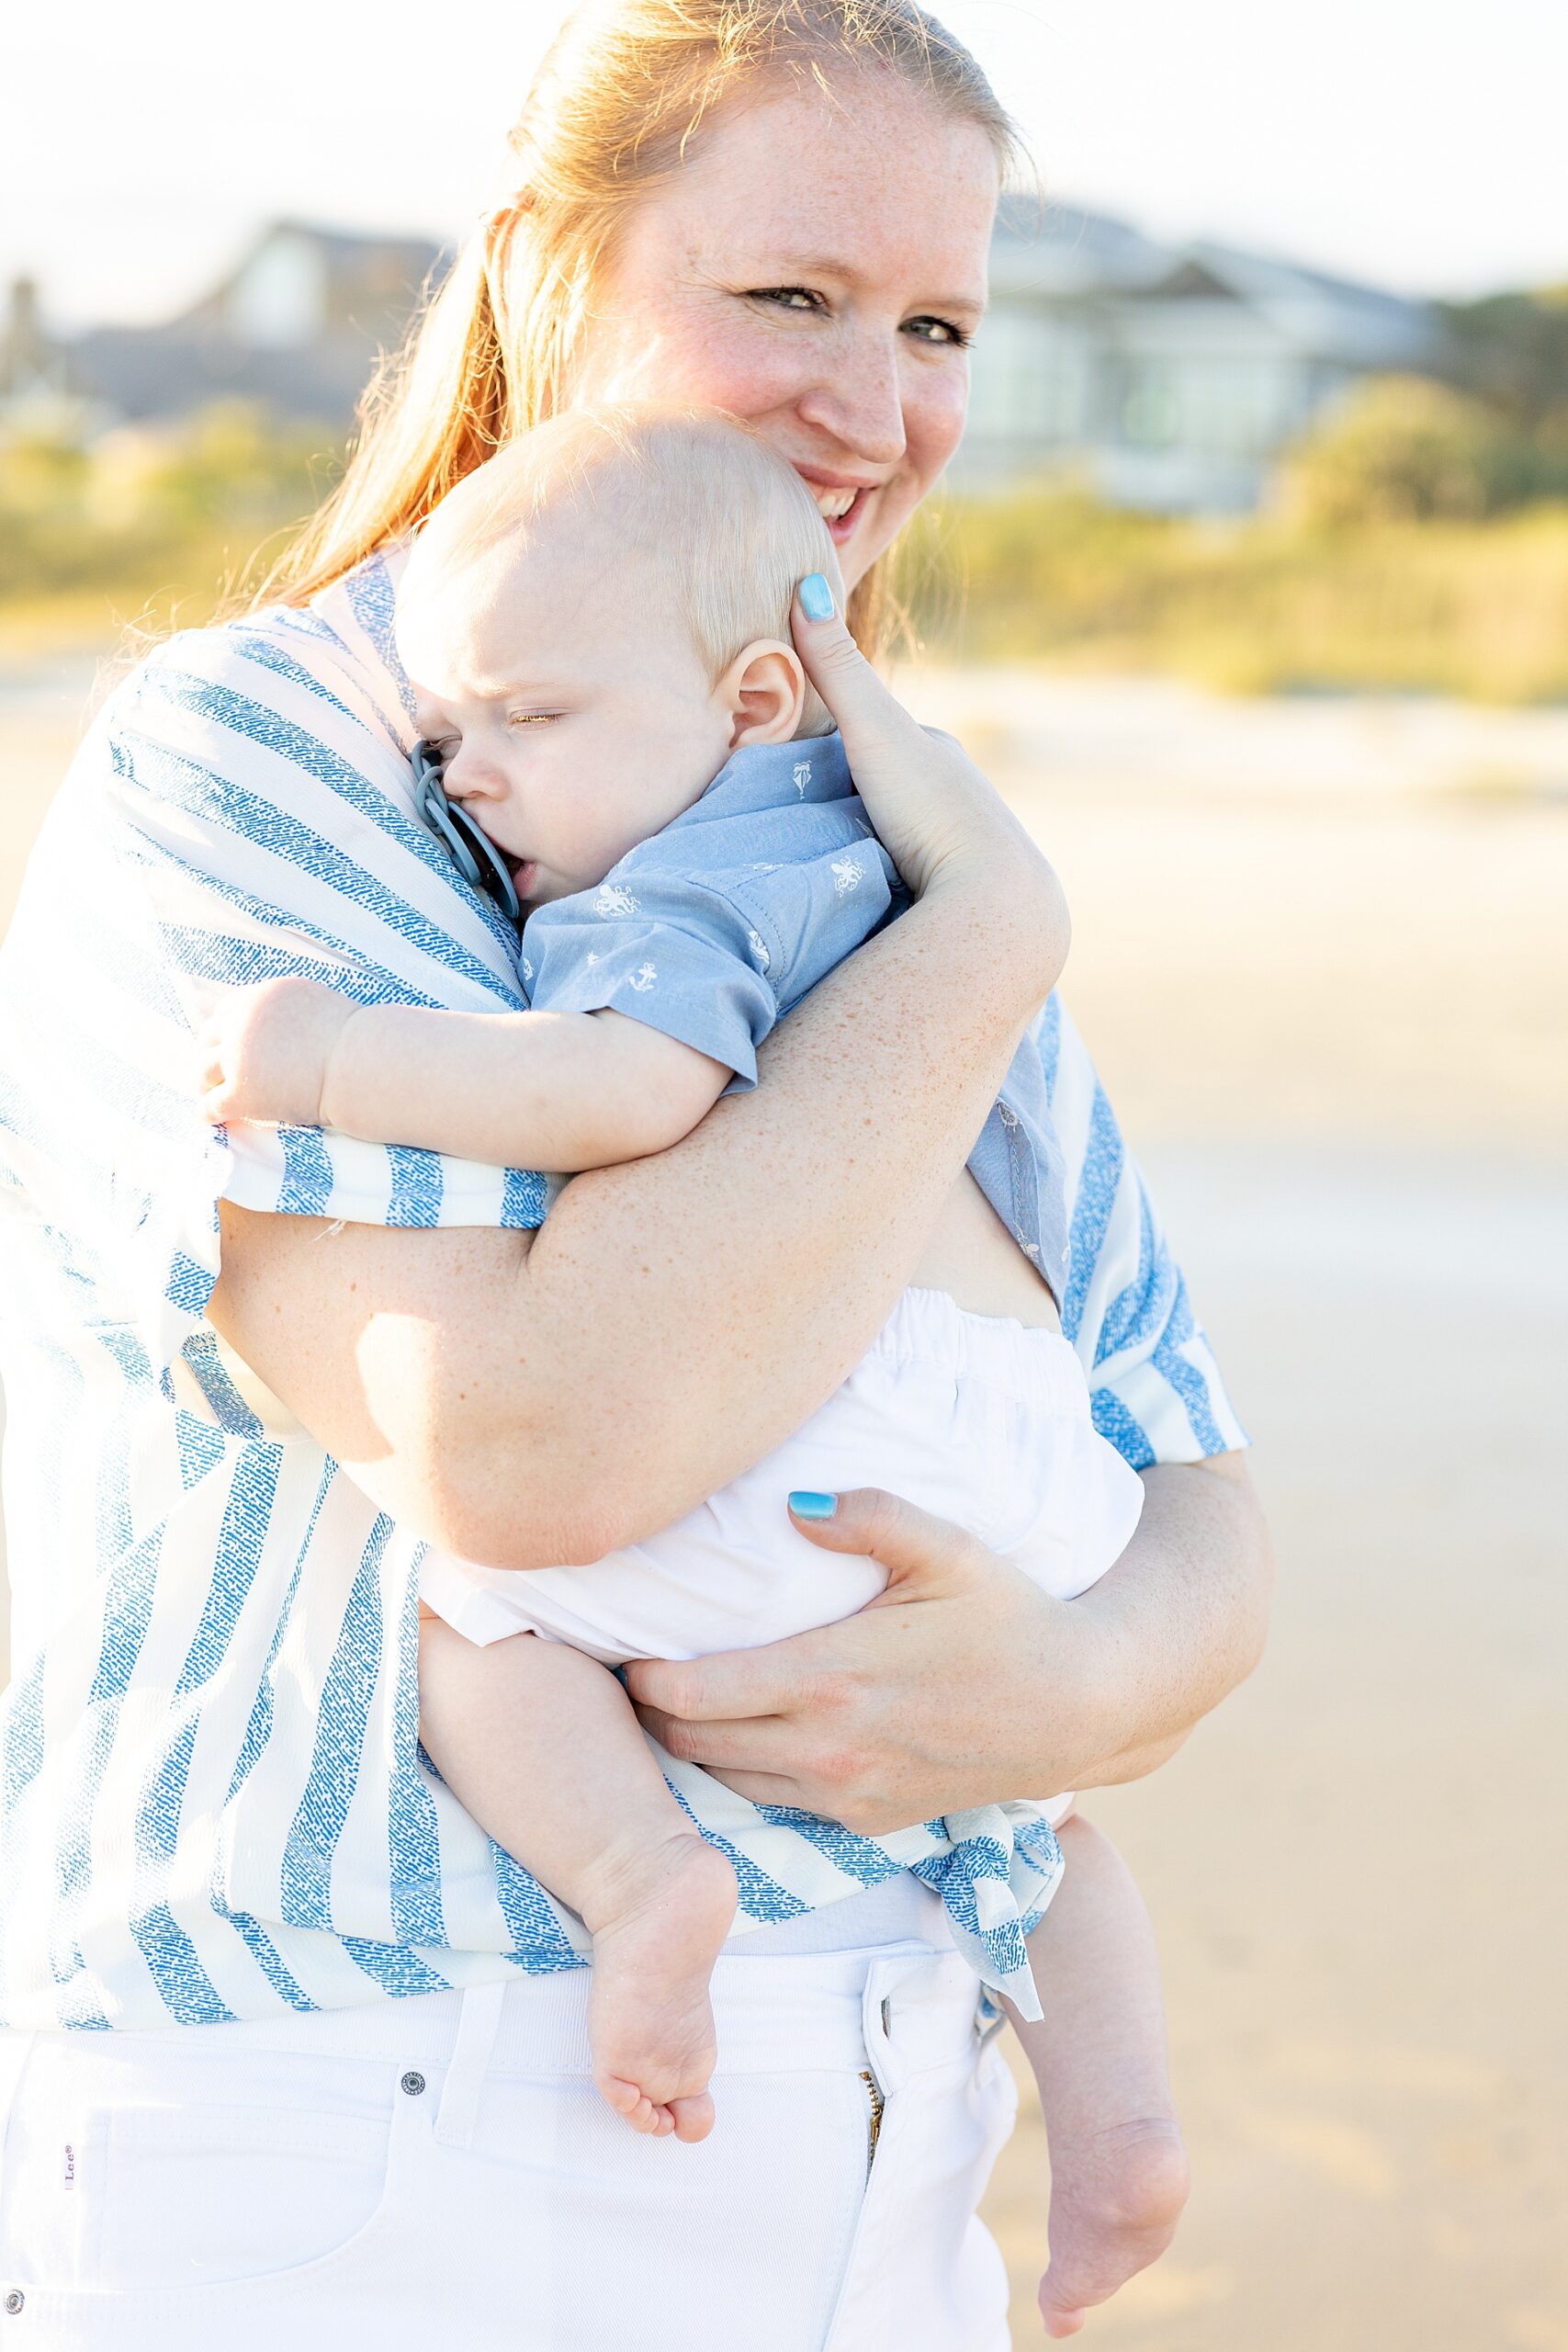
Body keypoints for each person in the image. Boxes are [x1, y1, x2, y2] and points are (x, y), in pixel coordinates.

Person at [0, 5, 1267, 2346]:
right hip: (383, 2102)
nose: (874, 407)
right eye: (785, 294)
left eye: (937, 325)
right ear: (540, 272)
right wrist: (978, 943)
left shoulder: (871, 800)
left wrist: (1068, 1680)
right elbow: (529, 1445)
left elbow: (1183, 1478)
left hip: (886, 2116)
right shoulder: (287, 753)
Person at [199, 404, 1189, 2330]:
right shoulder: (877, 839)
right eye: (445, 737)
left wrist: (323, 1061)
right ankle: (1126, 2119)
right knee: (1032, 1807)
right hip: (1025, 1451)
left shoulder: (682, 879)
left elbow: (621, 1088)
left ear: (748, 695)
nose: (470, 773)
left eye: (529, 722)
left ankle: (640, 1870)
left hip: (831, 1429)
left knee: (459, 1608)